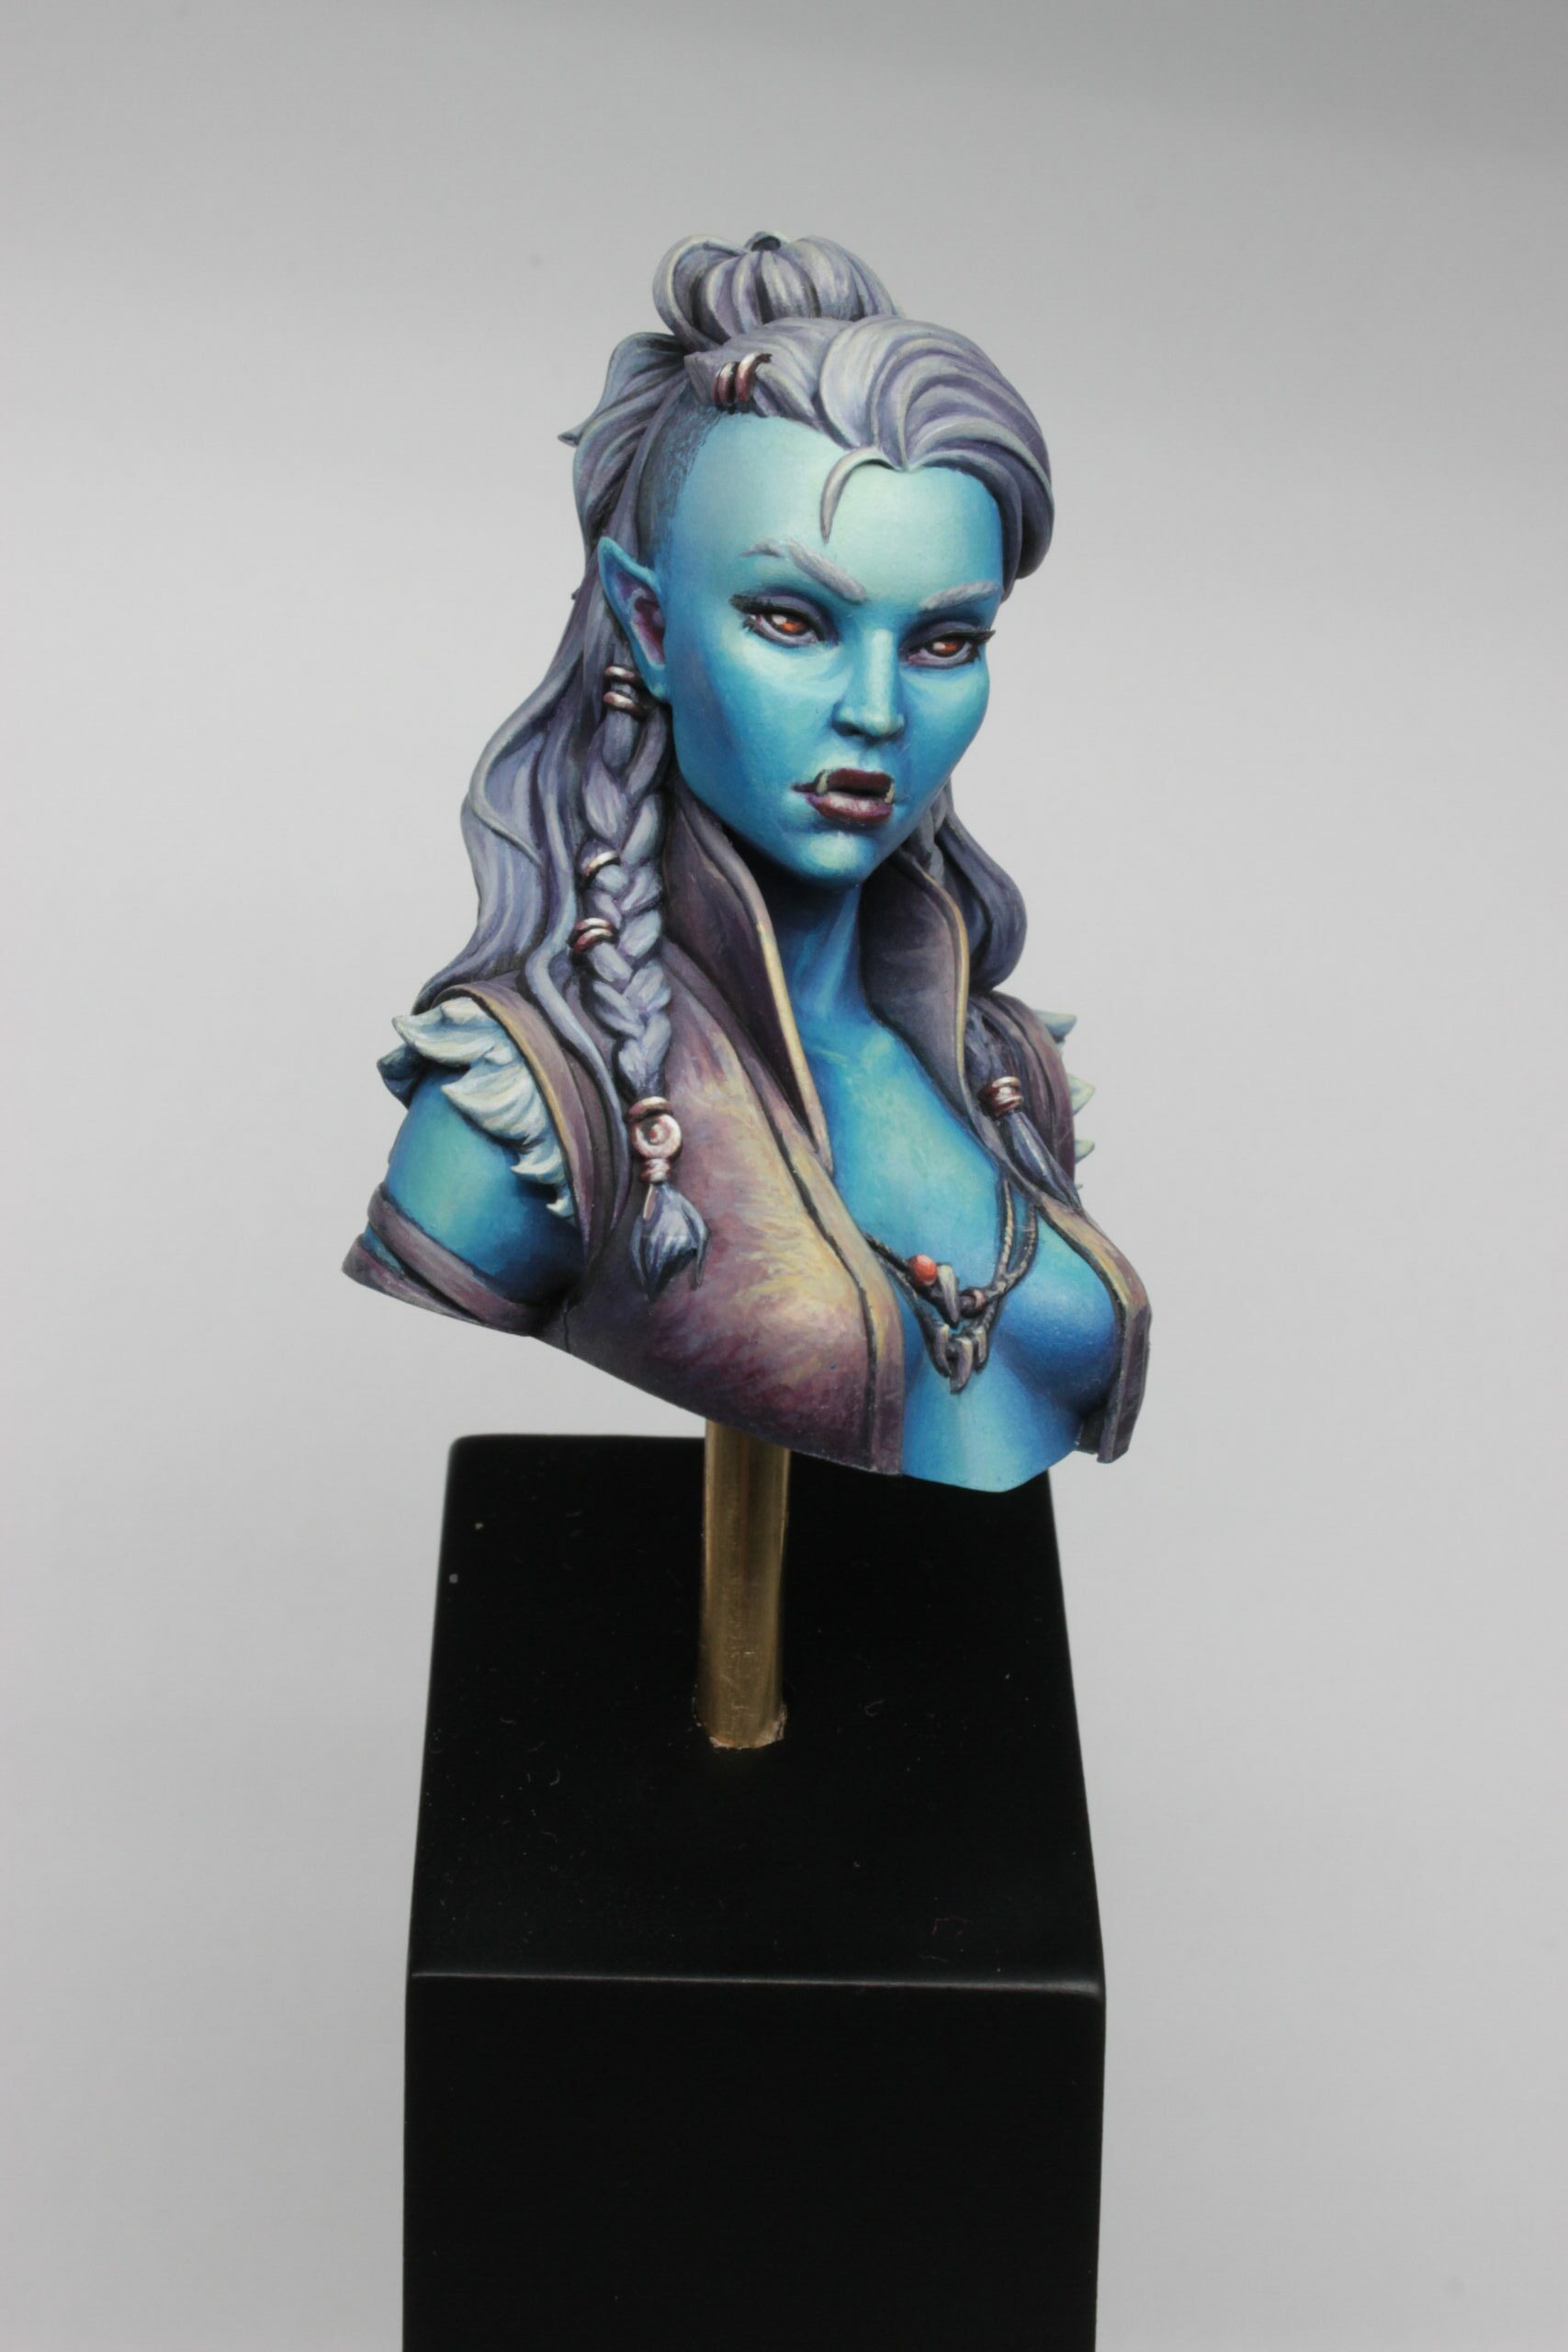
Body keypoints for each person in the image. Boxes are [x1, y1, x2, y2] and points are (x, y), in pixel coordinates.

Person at [345, 232, 1149, 1493]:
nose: (876, 711)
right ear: (650, 623)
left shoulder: (1003, 1072)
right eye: (793, 621)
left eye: (943, 642)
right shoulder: (531, 1102)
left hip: (934, 1610)